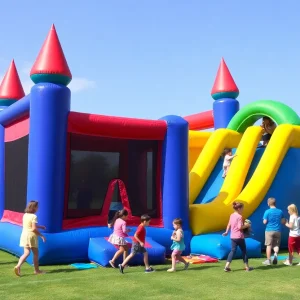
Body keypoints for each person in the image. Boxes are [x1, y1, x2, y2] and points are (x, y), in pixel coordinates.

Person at [14, 201, 46, 276]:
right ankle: (36, 270)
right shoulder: (34, 216)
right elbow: (33, 229)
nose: (38, 208)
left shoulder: (25, 215)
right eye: (37, 207)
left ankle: (18, 266)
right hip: (31, 236)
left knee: (26, 253)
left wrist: (40, 226)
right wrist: (42, 236)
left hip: (24, 235)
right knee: (36, 254)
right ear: (34, 207)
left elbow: (28, 225)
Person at [222, 201, 253, 272]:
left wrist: (226, 232)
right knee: (244, 251)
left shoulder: (232, 215)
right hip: (239, 237)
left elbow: (229, 224)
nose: (243, 210)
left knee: (232, 251)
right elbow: (240, 227)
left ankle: (226, 266)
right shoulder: (239, 216)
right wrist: (247, 225)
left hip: (233, 237)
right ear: (239, 209)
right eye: (242, 208)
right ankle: (247, 267)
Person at [262, 197, 285, 266]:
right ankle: (275, 254)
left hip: (269, 230)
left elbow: (264, 222)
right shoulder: (280, 211)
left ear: (268, 203)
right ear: (275, 203)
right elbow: (283, 221)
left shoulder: (267, 211)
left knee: (268, 245)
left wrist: (265, 221)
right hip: (278, 230)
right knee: (276, 245)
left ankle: (268, 260)